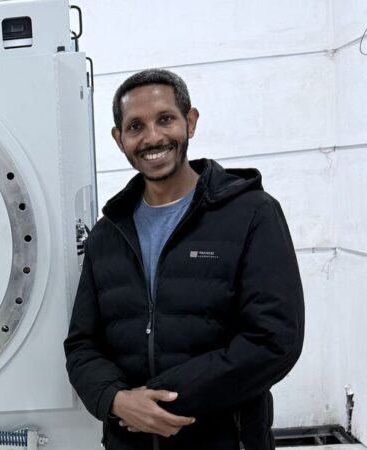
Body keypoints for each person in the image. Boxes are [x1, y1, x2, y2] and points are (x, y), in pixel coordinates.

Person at [64, 68, 304, 450]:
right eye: (135, 126)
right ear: (119, 139)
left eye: (165, 119)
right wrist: (116, 400)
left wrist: (158, 400)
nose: (152, 137)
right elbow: (82, 345)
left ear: (190, 122)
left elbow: (274, 340)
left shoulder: (252, 214)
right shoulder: (107, 236)